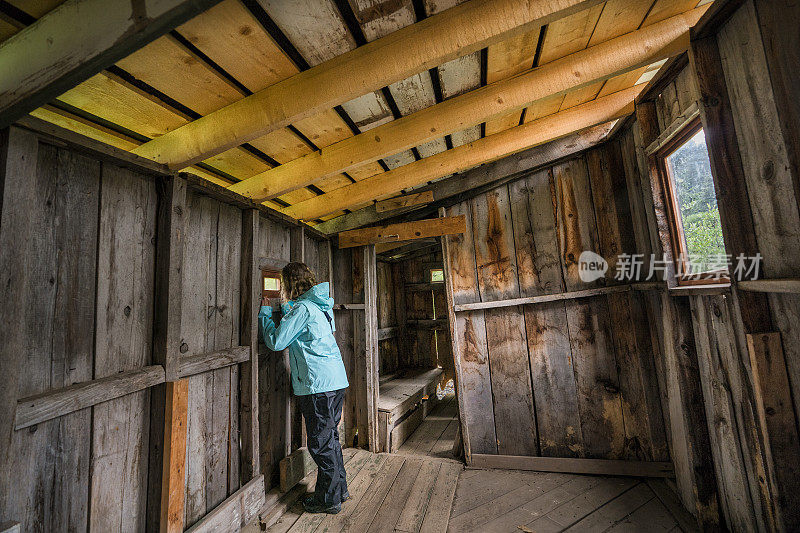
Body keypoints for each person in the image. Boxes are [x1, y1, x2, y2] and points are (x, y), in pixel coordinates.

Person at [259, 262, 350, 514]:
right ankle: (339, 489)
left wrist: (265, 314)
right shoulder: (320, 307)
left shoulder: (302, 309)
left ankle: (328, 500)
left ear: (289, 284)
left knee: (321, 443)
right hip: (335, 382)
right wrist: (289, 311)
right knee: (330, 438)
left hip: (317, 385)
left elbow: (277, 342)